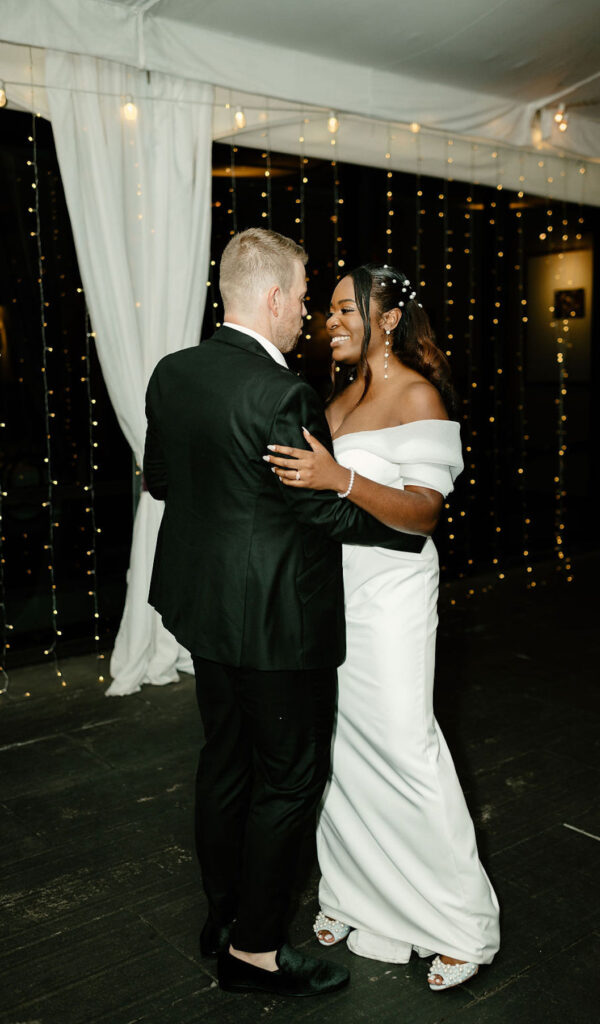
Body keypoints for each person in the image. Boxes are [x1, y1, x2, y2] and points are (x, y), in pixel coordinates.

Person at [142, 231, 429, 999]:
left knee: (224, 762)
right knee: (290, 782)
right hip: (277, 623)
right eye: (303, 298)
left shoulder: (172, 373)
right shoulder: (283, 394)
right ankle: (257, 952)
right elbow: (323, 515)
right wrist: (405, 527)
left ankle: (222, 915)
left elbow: (162, 481)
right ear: (272, 299)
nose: (306, 314)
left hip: (202, 611)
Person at [265, 263, 500, 991]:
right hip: (332, 594)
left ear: (387, 319)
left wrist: (341, 480)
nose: (328, 322)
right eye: (326, 309)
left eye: (343, 310)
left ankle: (462, 923)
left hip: (392, 592)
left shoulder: (417, 394)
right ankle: (353, 890)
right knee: (336, 744)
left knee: (403, 744)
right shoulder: (332, 402)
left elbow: (425, 511)